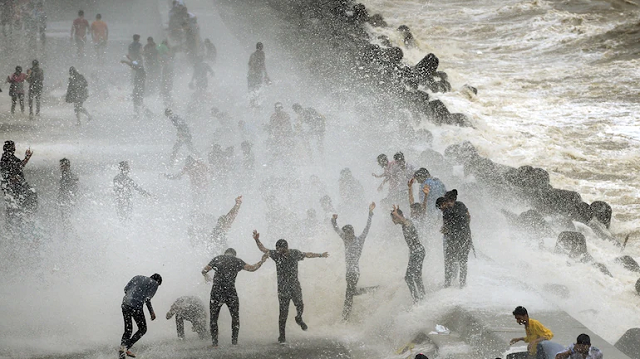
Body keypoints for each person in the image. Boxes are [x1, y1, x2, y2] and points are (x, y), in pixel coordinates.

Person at [252, 230, 329, 343]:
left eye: (282, 250)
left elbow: (307, 254)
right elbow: (263, 249)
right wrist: (257, 240)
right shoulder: (276, 254)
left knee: (300, 305)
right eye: (278, 250)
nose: (280, 252)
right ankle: (282, 336)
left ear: (287, 248)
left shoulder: (294, 253)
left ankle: (299, 318)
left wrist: (320, 255)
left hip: (294, 286)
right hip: (282, 288)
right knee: (283, 313)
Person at [202, 248, 269, 346]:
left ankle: (215, 343)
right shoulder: (237, 261)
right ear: (234, 254)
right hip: (230, 292)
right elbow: (252, 268)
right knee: (235, 318)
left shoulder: (217, 259)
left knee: (213, 318)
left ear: (225, 253)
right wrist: (262, 261)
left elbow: (204, 270)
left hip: (216, 291)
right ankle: (234, 343)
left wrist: (206, 276)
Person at [332, 202, 375, 320]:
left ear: (352, 232)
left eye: (347, 233)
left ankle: (345, 318)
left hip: (354, 272)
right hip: (349, 272)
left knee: (348, 295)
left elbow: (367, 228)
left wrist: (370, 213)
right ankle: (371, 290)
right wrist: (334, 220)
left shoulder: (359, 240)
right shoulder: (345, 239)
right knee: (352, 293)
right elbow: (336, 229)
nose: (346, 235)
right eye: (345, 234)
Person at [119, 274, 163, 359]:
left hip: (125, 304)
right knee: (143, 329)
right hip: (136, 306)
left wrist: (133, 295)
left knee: (128, 329)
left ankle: (122, 350)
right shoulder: (154, 283)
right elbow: (147, 299)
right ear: (158, 282)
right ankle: (126, 347)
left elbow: (125, 289)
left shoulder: (137, 277)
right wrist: (151, 312)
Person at [437, 189, 472, 288]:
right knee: (463, 262)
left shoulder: (447, 211)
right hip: (466, 238)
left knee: (448, 261)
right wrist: (466, 230)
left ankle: (447, 285)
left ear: (448, 200)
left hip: (454, 240)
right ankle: (462, 285)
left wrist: (444, 230)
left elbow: (446, 228)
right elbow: (468, 217)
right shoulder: (461, 205)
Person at [390, 205, 425, 302]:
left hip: (418, 252)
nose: (393, 221)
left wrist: (397, 215)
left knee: (408, 278)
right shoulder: (404, 224)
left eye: (393, 218)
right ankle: (422, 297)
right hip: (416, 252)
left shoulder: (407, 222)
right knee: (417, 276)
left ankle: (416, 299)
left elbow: (405, 221)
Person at [247, 42, 271, 107]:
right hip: (257, 74)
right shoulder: (261, 54)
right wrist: (266, 75)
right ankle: (257, 104)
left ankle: (251, 103)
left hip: (250, 74)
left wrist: (252, 70)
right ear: (261, 47)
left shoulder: (252, 55)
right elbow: (262, 64)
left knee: (251, 89)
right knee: (257, 88)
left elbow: (249, 64)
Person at [58, 158, 79, 230]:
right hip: (66, 200)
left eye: (63, 165)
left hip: (68, 201)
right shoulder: (65, 175)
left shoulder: (69, 176)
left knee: (68, 219)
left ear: (67, 166)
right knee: (66, 219)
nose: (61, 167)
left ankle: (69, 234)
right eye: (61, 165)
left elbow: (73, 189)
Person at [157, 39, 175, 105]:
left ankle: (162, 96)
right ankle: (167, 100)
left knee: (163, 82)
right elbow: (169, 54)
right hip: (166, 73)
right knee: (167, 84)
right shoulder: (165, 55)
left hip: (157, 66)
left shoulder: (158, 46)